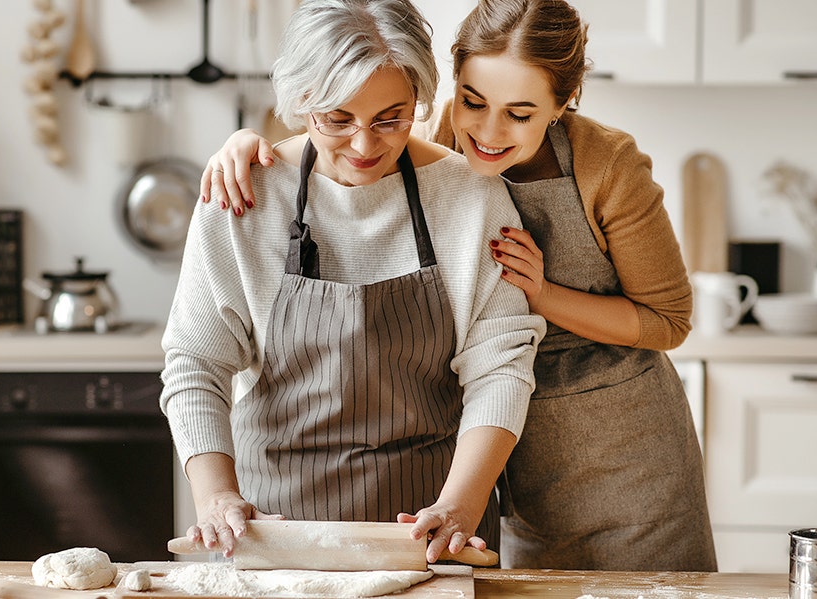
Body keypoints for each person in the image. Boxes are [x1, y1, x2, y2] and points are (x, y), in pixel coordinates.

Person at [196, 0, 717, 572]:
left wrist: (543, 295)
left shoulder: (600, 167)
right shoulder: (437, 143)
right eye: (474, 102)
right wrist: (244, 142)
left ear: (563, 104)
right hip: (504, 456)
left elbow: (666, 321)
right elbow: (351, 120)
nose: (488, 133)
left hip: (618, 450)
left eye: (519, 113)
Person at [160, 0, 544, 566]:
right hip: (275, 532)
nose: (365, 146)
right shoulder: (242, 196)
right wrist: (216, 495)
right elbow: (196, 361)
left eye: (391, 117)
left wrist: (461, 506)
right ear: (301, 103)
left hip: (431, 533)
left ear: (420, 99)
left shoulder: (472, 198)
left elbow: (501, 366)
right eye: (337, 120)